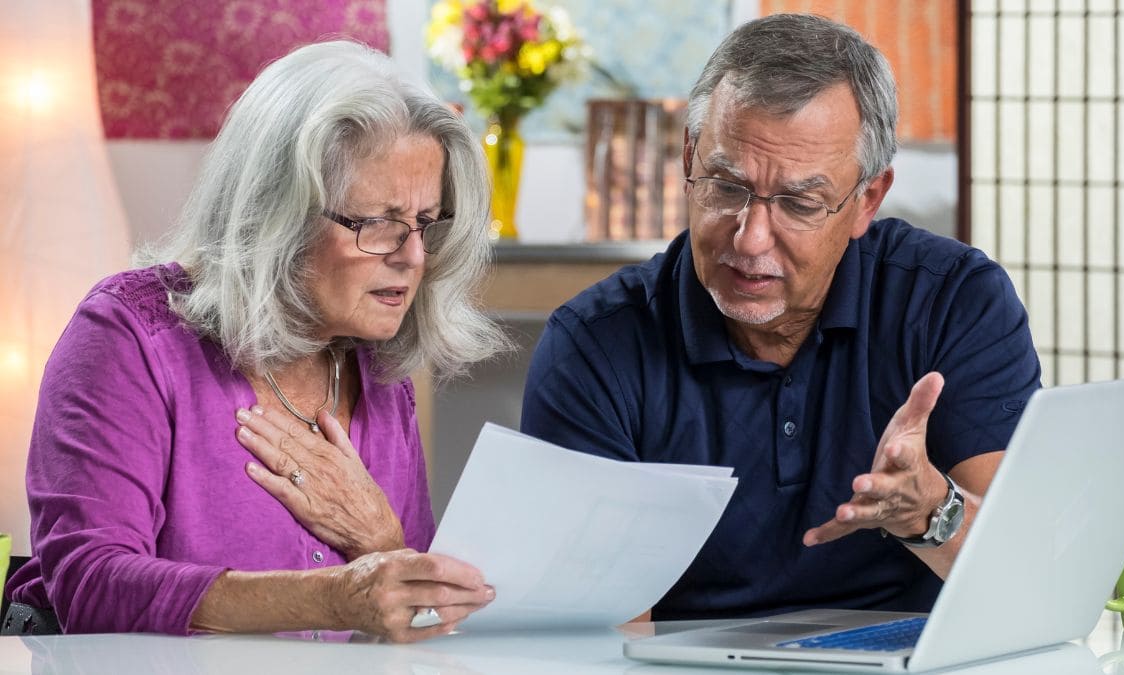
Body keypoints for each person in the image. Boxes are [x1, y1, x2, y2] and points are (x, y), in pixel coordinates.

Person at [521, 14, 1041, 620]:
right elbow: (602, 633)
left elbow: (1027, 575)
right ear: (690, 159)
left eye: (799, 202)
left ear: (866, 200)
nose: (750, 238)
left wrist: (930, 511)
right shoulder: (591, 347)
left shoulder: (954, 301)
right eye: (726, 185)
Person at [2, 40, 508, 640]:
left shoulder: (376, 368)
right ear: (277, 213)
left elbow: (407, 617)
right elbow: (90, 586)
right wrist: (332, 598)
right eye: (378, 222)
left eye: (424, 224)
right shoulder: (126, 336)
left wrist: (382, 540)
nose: (414, 257)